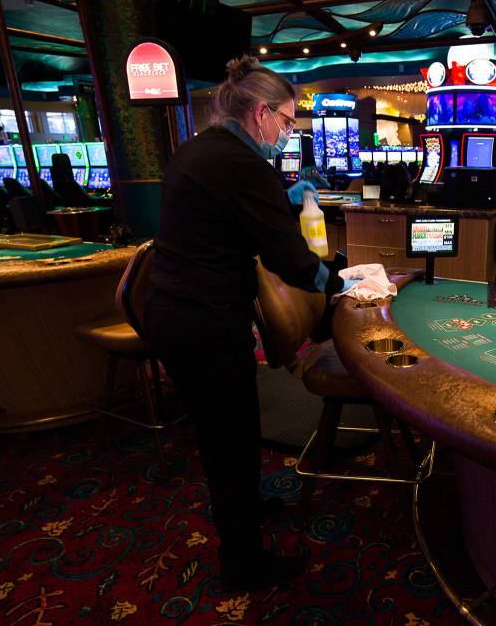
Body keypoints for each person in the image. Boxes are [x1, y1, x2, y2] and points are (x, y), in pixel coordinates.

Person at [145, 56, 359, 591]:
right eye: (287, 121)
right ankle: (242, 563)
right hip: (201, 321)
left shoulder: (203, 148)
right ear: (261, 113)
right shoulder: (241, 164)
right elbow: (289, 259)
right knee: (230, 437)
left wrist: (283, 204)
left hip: (176, 311)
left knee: (223, 431)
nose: (289, 133)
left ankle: (247, 505)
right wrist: (339, 286)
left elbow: (237, 221)